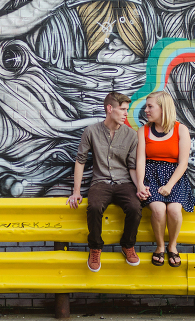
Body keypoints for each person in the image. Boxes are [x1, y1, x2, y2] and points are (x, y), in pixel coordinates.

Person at [67, 91, 144, 272]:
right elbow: (80, 160)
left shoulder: (131, 135)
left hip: (124, 182)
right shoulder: (91, 131)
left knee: (135, 207)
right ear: (110, 109)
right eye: (122, 109)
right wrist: (76, 191)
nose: (126, 113)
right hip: (100, 182)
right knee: (93, 207)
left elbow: (132, 166)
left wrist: (139, 186)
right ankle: (95, 248)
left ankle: (127, 245)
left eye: (127, 109)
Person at [135, 90, 195, 267]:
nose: (146, 110)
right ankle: (160, 246)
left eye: (150, 106)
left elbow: (183, 163)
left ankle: (172, 246)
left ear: (163, 108)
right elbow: (140, 160)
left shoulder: (180, 129)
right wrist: (140, 184)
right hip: (151, 176)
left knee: (175, 211)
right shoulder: (143, 131)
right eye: (146, 106)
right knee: (159, 209)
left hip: (175, 177)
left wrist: (169, 185)